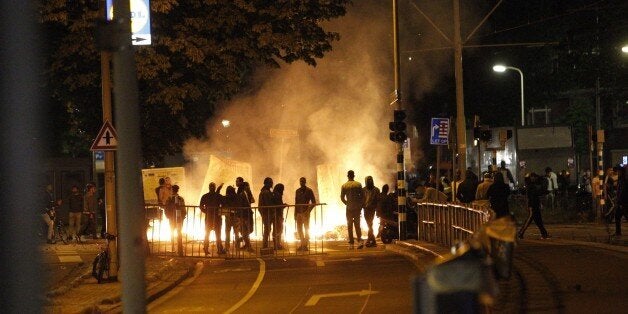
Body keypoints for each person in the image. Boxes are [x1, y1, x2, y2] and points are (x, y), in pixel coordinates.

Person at [518, 173, 549, 239]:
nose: (533, 178)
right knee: (530, 219)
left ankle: (544, 233)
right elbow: (538, 192)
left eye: (534, 177)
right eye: (532, 177)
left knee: (539, 220)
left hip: (535, 204)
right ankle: (521, 232)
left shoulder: (532, 185)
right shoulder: (531, 185)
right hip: (532, 205)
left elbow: (539, 192)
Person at [224, 185, 254, 252]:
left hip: (228, 216)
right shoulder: (237, 197)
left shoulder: (226, 197)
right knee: (236, 232)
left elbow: (223, 203)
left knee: (227, 232)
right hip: (236, 216)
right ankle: (237, 247)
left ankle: (227, 247)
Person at [341, 170, 365, 249]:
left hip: (349, 208)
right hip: (357, 208)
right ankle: (359, 241)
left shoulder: (344, 185)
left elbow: (342, 197)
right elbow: (362, 196)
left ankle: (351, 243)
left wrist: (347, 203)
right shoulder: (358, 184)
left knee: (349, 226)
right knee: (357, 225)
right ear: (354, 176)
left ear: (347, 176)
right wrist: (360, 205)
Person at [199, 182, 225, 255]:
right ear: (214, 187)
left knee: (207, 233)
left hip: (209, 217)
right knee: (218, 234)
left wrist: (206, 211)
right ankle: (219, 249)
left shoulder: (205, 196)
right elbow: (223, 205)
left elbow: (201, 207)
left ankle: (206, 248)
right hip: (217, 217)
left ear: (209, 187)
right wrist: (219, 211)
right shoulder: (219, 196)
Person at [294, 177, 316, 251]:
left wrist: (308, 210)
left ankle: (305, 245)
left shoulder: (309, 191)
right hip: (299, 213)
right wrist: (295, 213)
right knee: (299, 229)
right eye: (301, 181)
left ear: (305, 182)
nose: (302, 183)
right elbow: (296, 203)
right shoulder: (297, 191)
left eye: (303, 181)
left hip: (305, 213)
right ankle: (302, 244)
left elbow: (314, 202)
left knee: (306, 229)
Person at [165, 185, 186, 252]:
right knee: (179, 232)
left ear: (172, 190)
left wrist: (167, 216)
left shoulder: (169, 199)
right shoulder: (180, 198)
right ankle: (180, 247)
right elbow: (183, 208)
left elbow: (166, 208)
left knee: (172, 231)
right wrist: (183, 216)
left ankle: (173, 246)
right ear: (177, 190)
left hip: (171, 218)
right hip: (179, 218)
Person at [362, 176, 380, 247]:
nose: (369, 181)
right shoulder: (363, 190)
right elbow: (361, 200)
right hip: (366, 209)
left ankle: (371, 240)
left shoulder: (376, 190)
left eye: (370, 180)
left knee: (370, 224)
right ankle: (372, 240)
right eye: (368, 180)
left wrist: (377, 210)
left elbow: (378, 201)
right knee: (369, 224)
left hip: (372, 209)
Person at [258, 177, 275, 249]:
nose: (272, 183)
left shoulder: (265, 191)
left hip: (266, 213)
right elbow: (268, 204)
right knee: (267, 229)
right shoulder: (266, 192)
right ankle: (265, 245)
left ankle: (265, 245)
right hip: (267, 213)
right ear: (267, 183)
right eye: (270, 182)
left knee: (267, 229)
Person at [271, 183, 287, 250]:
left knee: (277, 229)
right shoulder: (277, 195)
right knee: (278, 229)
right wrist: (283, 205)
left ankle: (277, 244)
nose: (283, 191)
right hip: (278, 215)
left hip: (277, 214)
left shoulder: (275, 194)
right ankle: (277, 245)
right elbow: (278, 205)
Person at [614, 165, 627, 236]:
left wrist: (620, 202)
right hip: (620, 202)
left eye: (619, 171)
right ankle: (618, 232)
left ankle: (618, 232)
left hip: (624, 202)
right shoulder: (620, 179)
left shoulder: (624, 180)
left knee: (621, 216)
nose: (618, 172)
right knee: (617, 216)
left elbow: (623, 192)